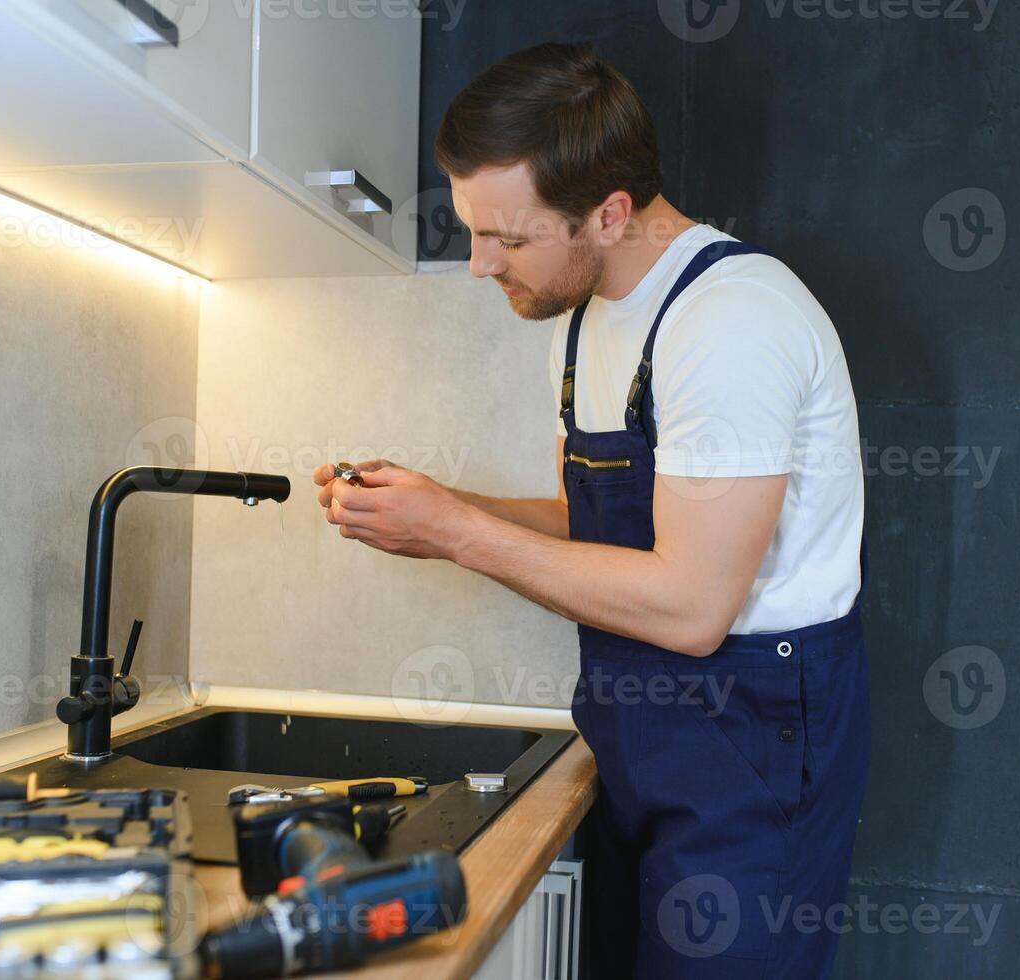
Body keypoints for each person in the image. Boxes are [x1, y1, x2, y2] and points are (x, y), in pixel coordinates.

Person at [312, 41, 869, 979]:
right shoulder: (591, 313)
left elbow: (692, 607)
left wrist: (457, 534)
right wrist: (440, 512)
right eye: (472, 230)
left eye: (510, 239)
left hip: (750, 747)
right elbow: (617, 532)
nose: (481, 265)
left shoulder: (730, 323)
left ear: (608, 212)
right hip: (643, 743)